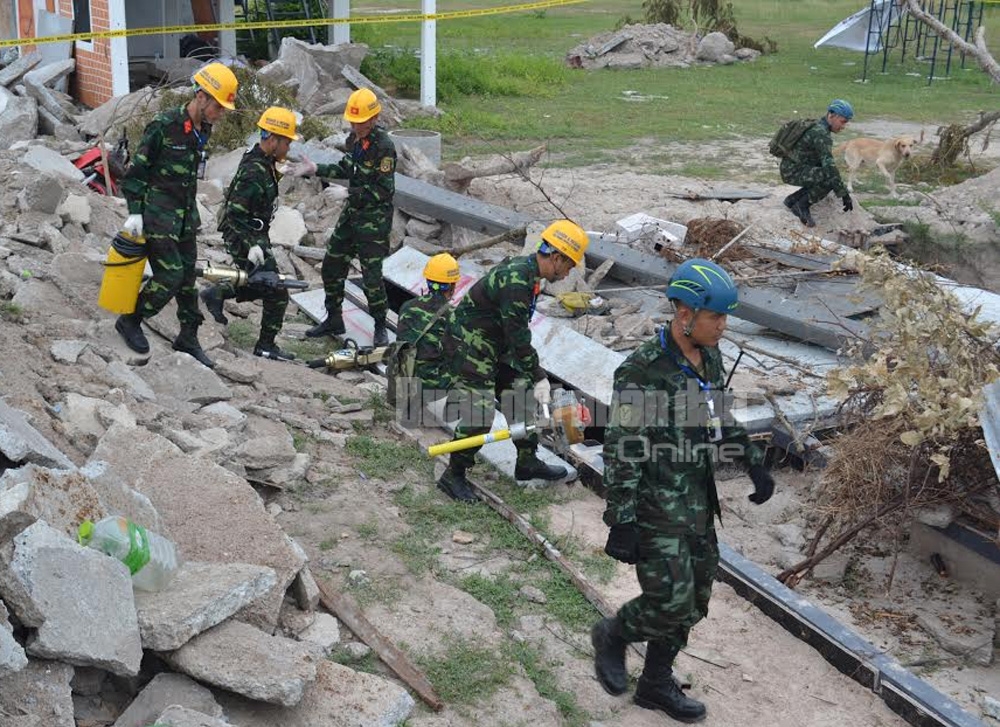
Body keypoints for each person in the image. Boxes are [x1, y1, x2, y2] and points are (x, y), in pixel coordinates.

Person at [590, 258, 775, 723]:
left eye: (726, 317)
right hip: (655, 505)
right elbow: (624, 446)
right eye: (717, 316)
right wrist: (623, 518)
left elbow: (715, 414)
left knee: (694, 600)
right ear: (684, 314)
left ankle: (654, 684)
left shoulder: (707, 357)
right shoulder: (642, 370)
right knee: (668, 600)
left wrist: (752, 462)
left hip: (696, 500)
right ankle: (612, 635)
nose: (724, 326)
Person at [436, 220, 590, 503]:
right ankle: (454, 475)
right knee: (479, 414)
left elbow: (513, 336)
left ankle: (527, 461)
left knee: (519, 393)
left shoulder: (530, 275)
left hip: (494, 344)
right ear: (556, 258)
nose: (569, 272)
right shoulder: (517, 279)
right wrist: (540, 374)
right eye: (569, 266)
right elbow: (518, 335)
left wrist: (531, 377)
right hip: (469, 344)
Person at [116, 61, 238, 368]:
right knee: (169, 276)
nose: (220, 114)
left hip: (185, 216)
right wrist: (134, 214)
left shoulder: (203, 130)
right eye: (218, 107)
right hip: (158, 214)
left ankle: (188, 336)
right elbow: (135, 174)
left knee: (187, 280)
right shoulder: (164, 124)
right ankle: (130, 318)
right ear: (201, 97)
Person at [288, 88, 396, 347]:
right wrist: (315, 169)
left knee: (372, 277)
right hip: (352, 217)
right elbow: (345, 166)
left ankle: (380, 325)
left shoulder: (384, 147)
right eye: (352, 122)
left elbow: (384, 191)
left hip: (374, 220)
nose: (355, 126)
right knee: (331, 266)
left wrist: (350, 192)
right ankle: (334, 318)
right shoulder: (356, 141)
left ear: (373, 119)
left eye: (359, 122)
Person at [201, 106, 300, 361]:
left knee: (262, 282)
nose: (289, 148)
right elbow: (235, 214)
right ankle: (265, 346)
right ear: (273, 139)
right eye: (287, 142)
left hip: (255, 234)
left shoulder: (264, 163)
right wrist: (252, 246)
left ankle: (218, 293)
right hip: (242, 235)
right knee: (275, 288)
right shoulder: (253, 170)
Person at [780, 99, 854, 228]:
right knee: (828, 178)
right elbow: (830, 168)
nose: (843, 126)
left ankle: (792, 200)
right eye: (842, 122)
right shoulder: (821, 134)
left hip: (792, 167)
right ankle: (801, 206)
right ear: (831, 115)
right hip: (793, 171)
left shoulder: (818, 126)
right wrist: (844, 194)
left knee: (822, 173)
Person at [395, 252, 461, 397]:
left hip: (404, 377)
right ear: (452, 285)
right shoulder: (454, 315)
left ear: (428, 281)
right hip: (431, 386)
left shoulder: (407, 306)